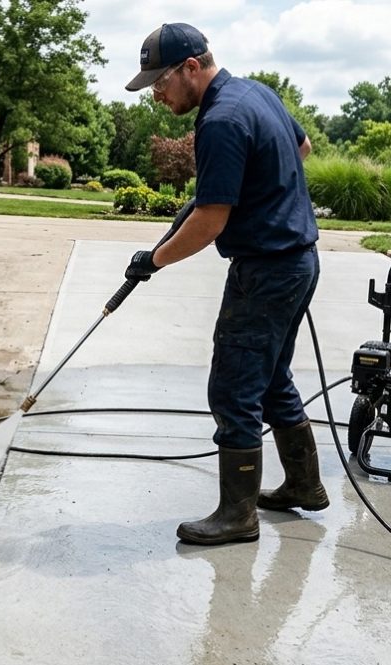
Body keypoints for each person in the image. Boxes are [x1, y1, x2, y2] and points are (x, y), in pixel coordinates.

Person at [123, 23, 328, 546]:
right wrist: (251, 189)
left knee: (234, 387)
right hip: (298, 262)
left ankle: (237, 516)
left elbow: (209, 221)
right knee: (272, 375)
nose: (156, 93)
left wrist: (155, 259)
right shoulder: (256, 93)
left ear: (192, 66)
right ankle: (305, 484)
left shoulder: (220, 119)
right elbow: (300, 148)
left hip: (266, 271)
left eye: (160, 81)